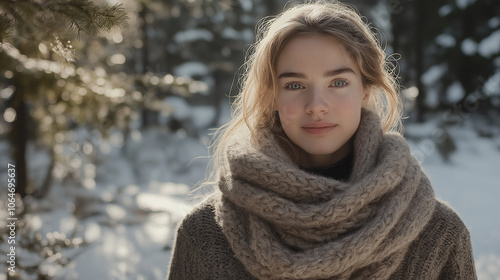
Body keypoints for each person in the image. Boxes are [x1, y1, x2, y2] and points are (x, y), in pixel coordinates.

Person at [167, 1, 477, 279]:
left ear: (365, 91)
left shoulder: (438, 233)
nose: (316, 104)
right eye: (294, 85)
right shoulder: (204, 234)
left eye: (338, 82)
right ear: (272, 95)